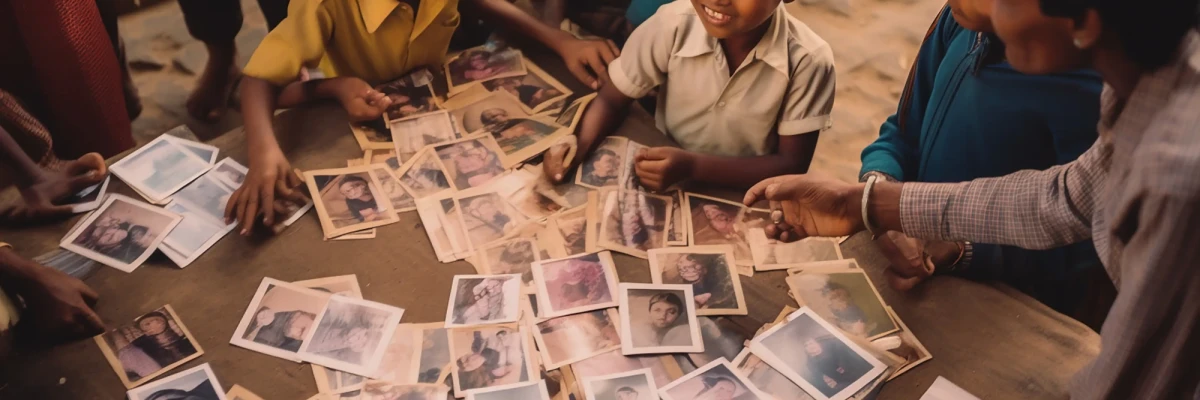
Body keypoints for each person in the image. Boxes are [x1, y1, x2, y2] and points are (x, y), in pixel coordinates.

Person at [744, 0, 1200, 395]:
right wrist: (863, 203)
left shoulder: (1176, 173)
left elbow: (1144, 379)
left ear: (1085, 21)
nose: (988, 16)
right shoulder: (1145, 81)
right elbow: (1065, 198)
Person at [224, 0, 622, 235]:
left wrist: (559, 39)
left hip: (435, 99)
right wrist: (265, 153)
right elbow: (260, 83)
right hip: (359, 110)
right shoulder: (324, 5)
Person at [857, 2, 1104, 318]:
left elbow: (1081, 236)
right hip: (911, 271)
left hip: (1007, 306)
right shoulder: (959, 20)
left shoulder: (1086, 86)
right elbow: (904, 130)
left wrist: (962, 249)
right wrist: (880, 183)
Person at [543, 0, 835, 193]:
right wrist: (578, 146)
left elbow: (791, 165)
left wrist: (694, 166)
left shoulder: (809, 61)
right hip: (661, 173)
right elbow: (612, 98)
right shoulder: (672, 24)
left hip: (746, 190)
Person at [800, 336, 872, 396]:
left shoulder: (835, 346)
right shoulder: (811, 364)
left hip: (859, 373)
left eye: (811, 343)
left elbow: (855, 362)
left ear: (817, 343)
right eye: (806, 345)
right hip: (843, 384)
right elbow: (826, 383)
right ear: (805, 350)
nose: (810, 346)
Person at [130, 312, 198, 368]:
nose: (145, 328)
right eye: (147, 324)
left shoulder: (185, 337)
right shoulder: (142, 346)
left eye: (148, 324)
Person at [670, 254, 735, 309]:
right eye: (682, 268)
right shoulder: (678, 285)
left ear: (705, 269)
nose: (688, 270)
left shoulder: (719, 279)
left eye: (693, 266)